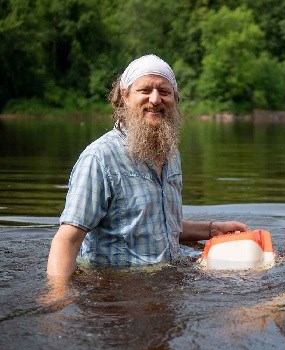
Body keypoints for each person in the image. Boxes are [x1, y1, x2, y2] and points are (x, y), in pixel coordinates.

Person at [47, 54, 247, 278]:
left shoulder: (170, 153)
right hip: (116, 291)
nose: (155, 99)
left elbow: (159, 223)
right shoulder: (100, 158)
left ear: (175, 99)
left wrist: (212, 230)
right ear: (125, 97)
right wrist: (59, 301)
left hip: (166, 283)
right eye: (145, 90)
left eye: (164, 91)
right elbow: (67, 239)